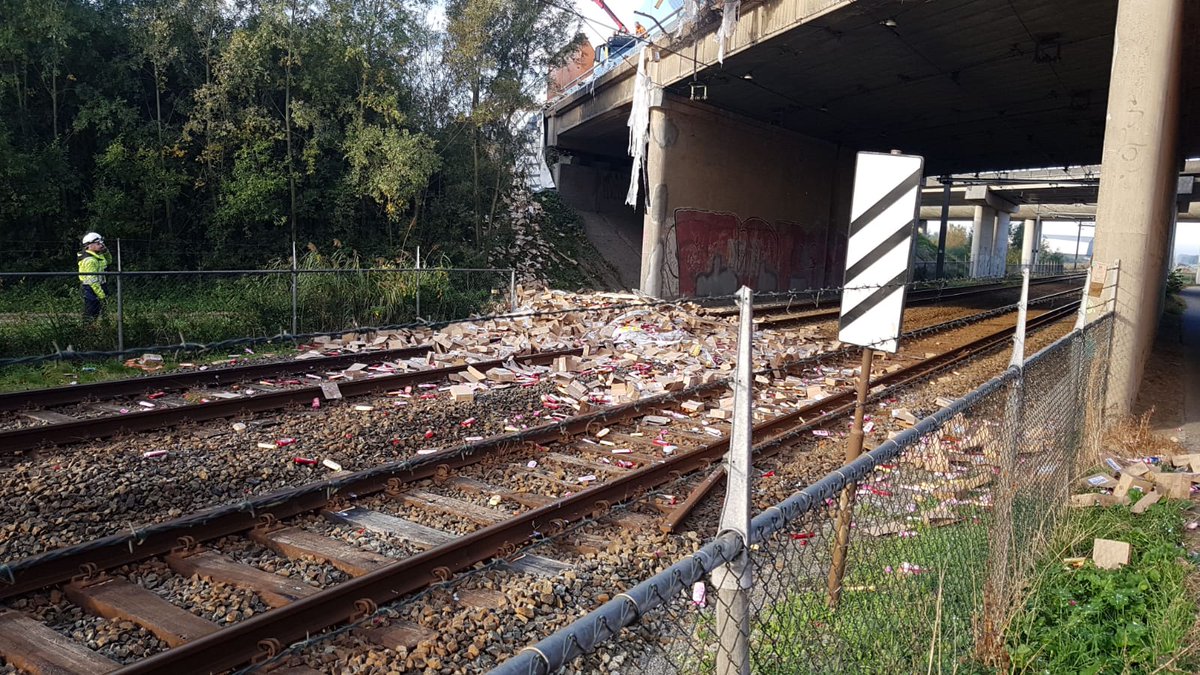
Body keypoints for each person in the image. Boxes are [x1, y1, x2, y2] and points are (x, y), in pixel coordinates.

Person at [77, 232, 111, 321]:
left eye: (102, 242)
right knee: (91, 313)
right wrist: (101, 295)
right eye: (98, 243)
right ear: (89, 245)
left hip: (100, 286)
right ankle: (88, 330)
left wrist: (106, 252)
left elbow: (109, 261)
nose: (101, 245)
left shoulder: (98, 256)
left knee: (102, 312)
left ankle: (100, 329)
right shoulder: (90, 260)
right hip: (91, 288)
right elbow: (92, 280)